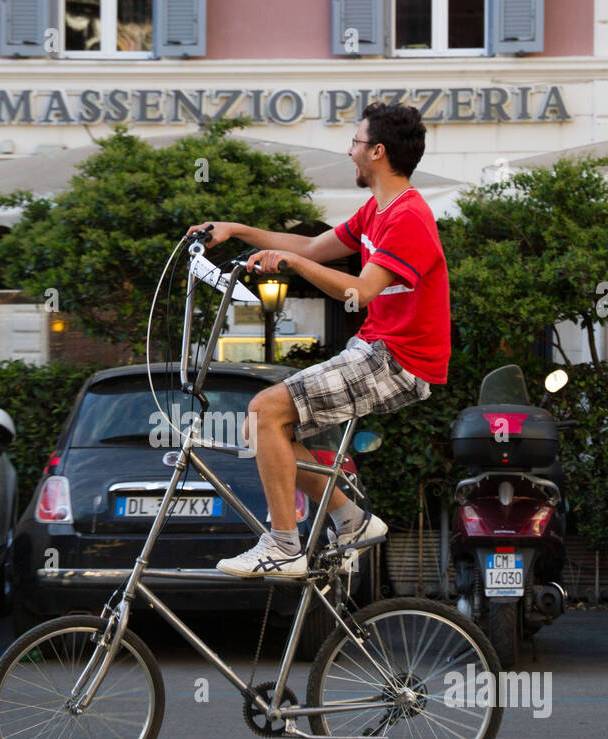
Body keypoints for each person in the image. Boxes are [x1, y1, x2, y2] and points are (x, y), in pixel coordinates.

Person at [189, 101, 450, 577]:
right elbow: (312, 246)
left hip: (399, 359)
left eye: (354, 142)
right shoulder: (377, 210)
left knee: (265, 409)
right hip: (377, 349)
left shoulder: (407, 218)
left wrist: (291, 266)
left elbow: (361, 290)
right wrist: (237, 231)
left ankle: (284, 545)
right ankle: (349, 519)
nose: (349, 151)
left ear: (377, 151)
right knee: (260, 427)